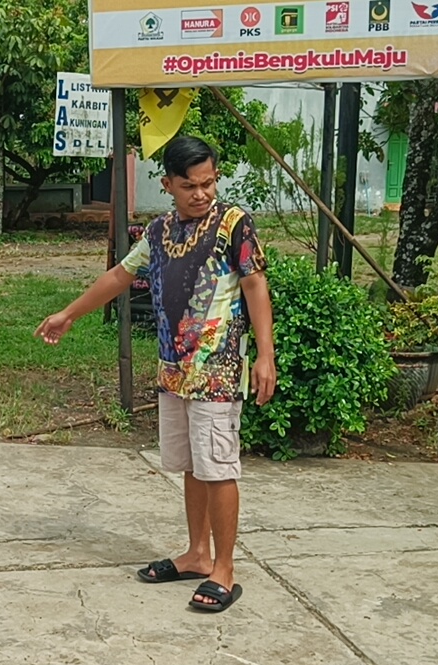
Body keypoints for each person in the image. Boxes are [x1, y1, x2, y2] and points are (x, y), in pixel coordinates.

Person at [35, 136, 276, 613]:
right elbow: (120, 276)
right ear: (167, 184)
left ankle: (224, 569)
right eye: (190, 185)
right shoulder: (160, 230)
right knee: (190, 466)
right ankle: (196, 554)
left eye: (208, 183)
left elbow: (254, 284)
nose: (201, 193)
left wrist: (265, 355)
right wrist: (69, 314)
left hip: (218, 371)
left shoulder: (234, 225)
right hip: (173, 371)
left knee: (219, 468)